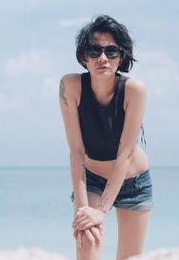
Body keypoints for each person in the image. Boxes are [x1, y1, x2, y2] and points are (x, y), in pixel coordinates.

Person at [59, 14, 153, 260]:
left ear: (120, 57)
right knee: (87, 240)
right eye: (94, 50)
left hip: (133, 182)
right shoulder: (70, 86)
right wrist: (83, 211)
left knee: (129, 258)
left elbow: (126, 152)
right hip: (93, 178)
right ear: (83, 57)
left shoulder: (134, 91)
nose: (102, 58)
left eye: (111, 51)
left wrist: (102, 211)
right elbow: (77, 151)